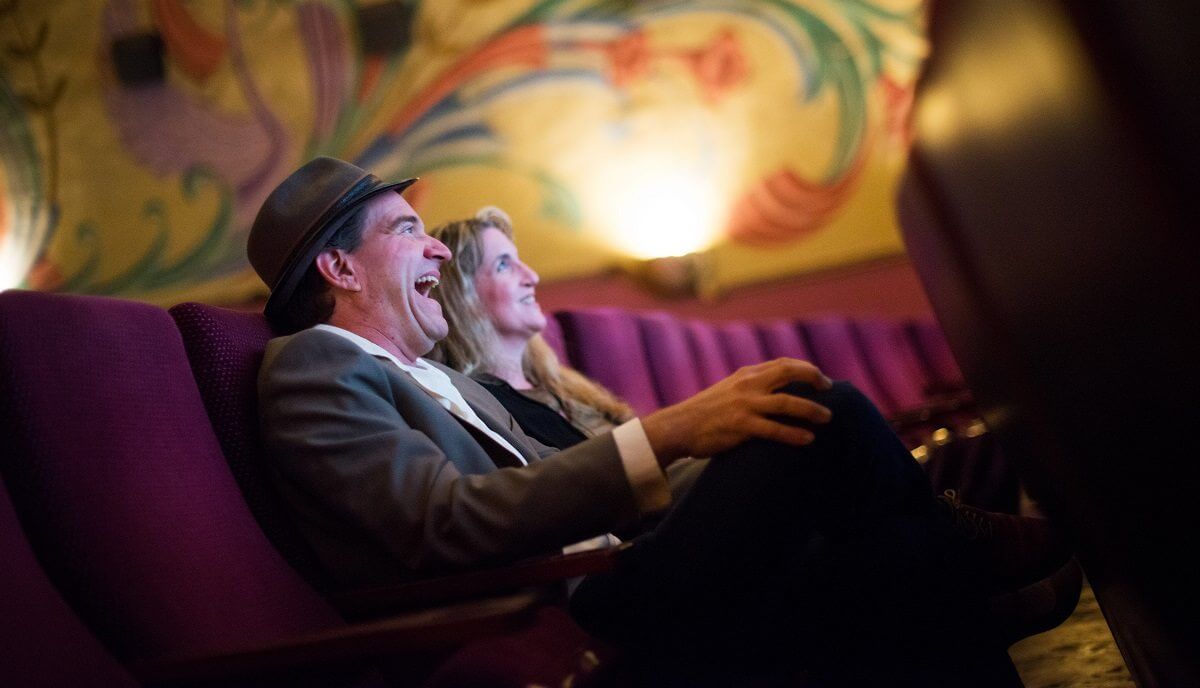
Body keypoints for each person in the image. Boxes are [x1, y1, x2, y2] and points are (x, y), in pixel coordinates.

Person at [249, 157, 1075, 686]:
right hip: (575, 606)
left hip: (618, 565)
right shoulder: (314, 366)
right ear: (339, 267)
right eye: (407, 232)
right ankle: (964, 560)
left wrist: (716, 441)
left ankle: (948, 573)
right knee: (817, 412)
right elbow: (440, 524)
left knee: (796, 424)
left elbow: (559, 474)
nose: (436, 252)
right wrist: (677, 430)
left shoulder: (433, 374)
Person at [429, 206, 631, 449]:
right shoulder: (483, 410)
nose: (532, 276)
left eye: (519, 261)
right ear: (461, 297)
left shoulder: (560, 380)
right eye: (503, 265)